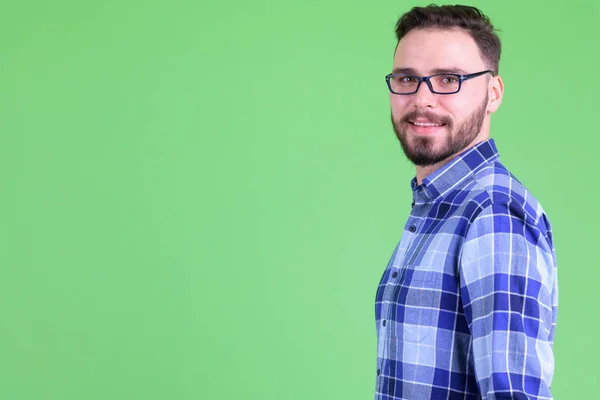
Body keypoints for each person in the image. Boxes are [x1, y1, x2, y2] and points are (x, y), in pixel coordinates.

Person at [374, 4, 558, 399]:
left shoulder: (492, 210)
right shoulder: (439, 206)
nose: (422, 99)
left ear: (493, 93)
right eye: (408, 78)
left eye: (448, 79)